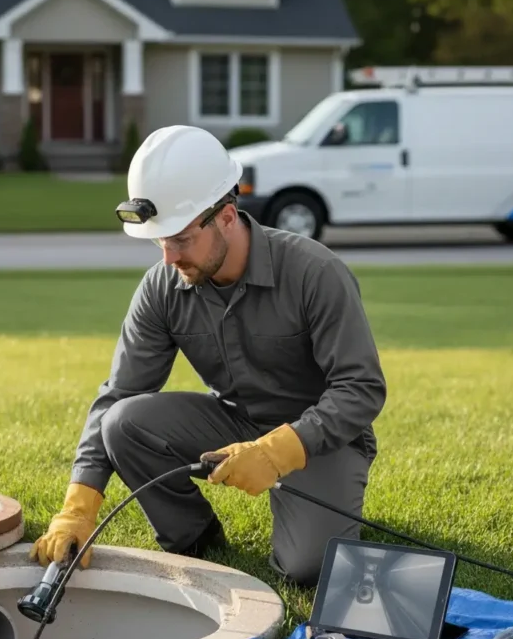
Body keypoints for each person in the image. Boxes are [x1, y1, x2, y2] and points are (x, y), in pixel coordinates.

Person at [30, 125, 387, 587]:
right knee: (122, 421)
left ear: (226, 216)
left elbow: (361, 388)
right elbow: (119, 393)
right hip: (234, 420)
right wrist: (78, 507)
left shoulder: (315, 272)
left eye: (180, 238)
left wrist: (276, 451)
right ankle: (195, 537)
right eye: (159, 241)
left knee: (308, 570)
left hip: (319, 439)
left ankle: (311, 511)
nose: (168, 257)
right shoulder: (163, 287)